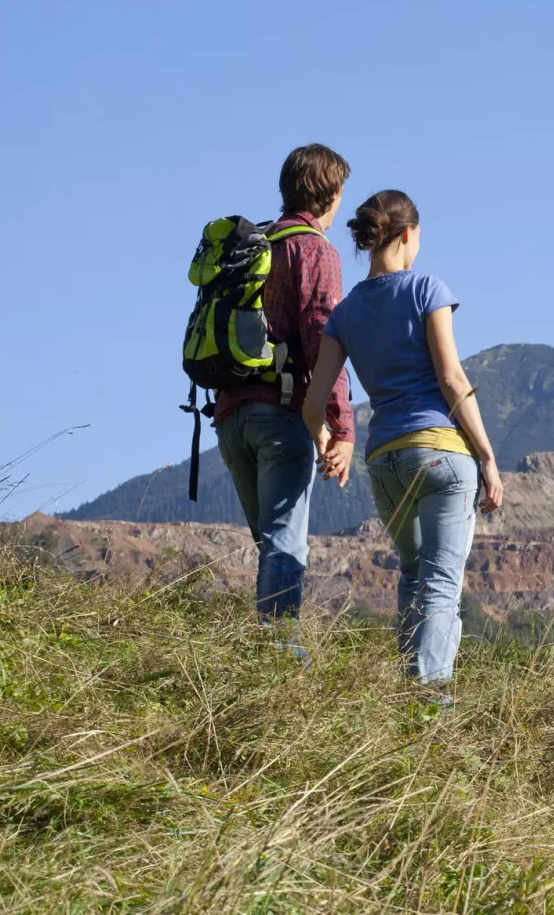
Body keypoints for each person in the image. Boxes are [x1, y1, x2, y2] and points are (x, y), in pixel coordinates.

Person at [304, 189, 504, 689]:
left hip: (387, 463)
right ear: (407, 234)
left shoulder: (346, 313)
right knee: (440, 586)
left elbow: (313, 404)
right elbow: (452, 380)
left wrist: (326, 441)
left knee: (414, 575)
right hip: (441, 454)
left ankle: (409, 694)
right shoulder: (426, 290)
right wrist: (488, 457)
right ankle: (429, 705)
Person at [214, 143, 356, 620]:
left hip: (230, 414)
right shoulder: (313, 249)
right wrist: (341, 425)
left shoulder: (254, 246)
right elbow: (323, 336)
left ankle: (267, 652)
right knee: (284, 548)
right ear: (331, 194)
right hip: (279, 414)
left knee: (270, 545)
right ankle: (281, 658)